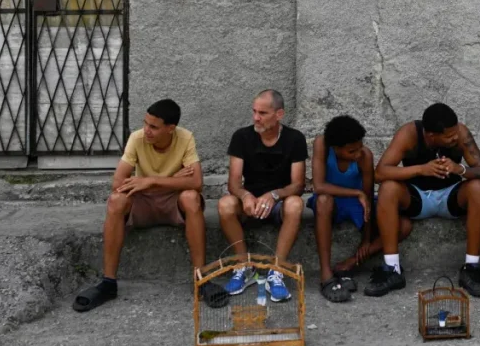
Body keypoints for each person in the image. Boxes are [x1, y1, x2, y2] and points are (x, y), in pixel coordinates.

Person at [73, 99, 216, 312]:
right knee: (116, 201)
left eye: (154, 127)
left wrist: (152, 181)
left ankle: (201, 278)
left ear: (170, 129)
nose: (146, 130)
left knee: (191, 198)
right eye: (145, 123)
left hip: (172, 203)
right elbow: (117, 184)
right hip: (143, 203)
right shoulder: (137, 138)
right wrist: (172, 180)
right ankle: (108, 282)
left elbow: (196, 183)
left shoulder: (185, 138)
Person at [367, 103, 480, 298]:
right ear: (431, 135)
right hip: (417, 197)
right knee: (388, 188)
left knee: (478, 188)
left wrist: (460, 169)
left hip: (450, 196)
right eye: (449, 136)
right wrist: (421, 169)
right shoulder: (409, 133)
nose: (455, 138)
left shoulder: (461, 134)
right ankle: (392, 269)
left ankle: (471, 267)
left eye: (455, 133)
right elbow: (380, 173)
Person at [307, 114, 411, 303]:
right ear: (336, 148)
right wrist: (356, 193)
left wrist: (366, 240)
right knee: (323, 201)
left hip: (357, 204)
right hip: (332, 201)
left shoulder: (365, 156)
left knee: (404, 226)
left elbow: (368, 197)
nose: (357, 154)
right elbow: (319, 186)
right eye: (351, 151)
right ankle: (326, 275)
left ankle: (351, 263)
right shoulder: (322, 145)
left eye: (359, 147)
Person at [217, 90, 307, 303]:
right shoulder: (242, 137)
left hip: (279, 203)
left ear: (279, 114)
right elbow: (233, 183)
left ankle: (277, 270)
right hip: (249, 202)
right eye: (254, 112)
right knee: (225, 204)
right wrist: (245, 195)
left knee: (295, 204)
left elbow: (298, 184)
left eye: (263, 113)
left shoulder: (295, 139)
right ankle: (243, 265)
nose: (256, 118)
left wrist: (275, 195)